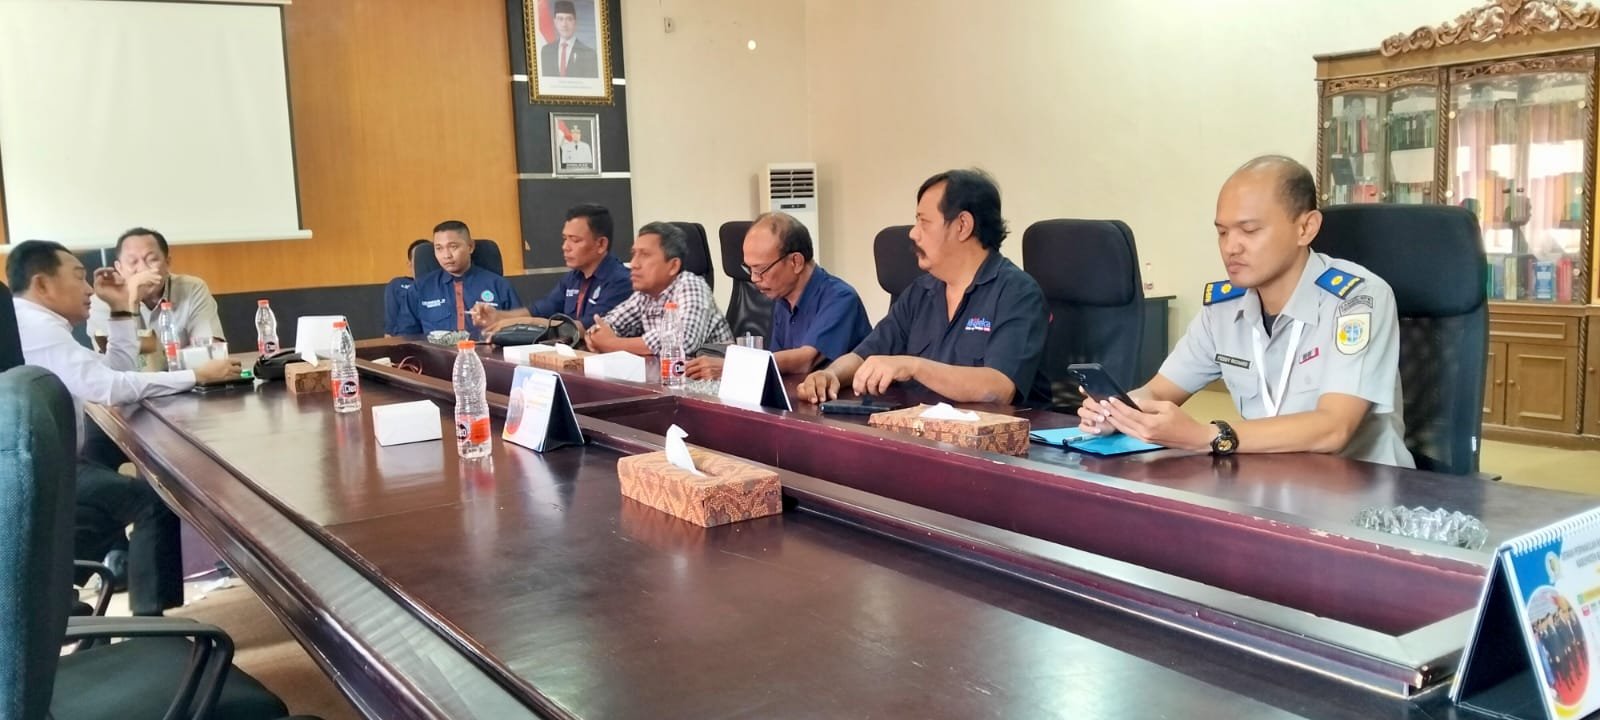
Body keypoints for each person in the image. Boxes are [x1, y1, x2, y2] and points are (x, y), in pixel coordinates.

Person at [1077, 155, 1413, 467]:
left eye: (1249, 231)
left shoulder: (1357, 300)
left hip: (1360, 493)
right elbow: (1160, 390)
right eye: (1222, 232)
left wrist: (1206, 435)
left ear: (1305, 228)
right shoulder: (1224, 307)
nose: (1230, 247)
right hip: (1269, 483)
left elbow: (1334, 427)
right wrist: (1117, 411)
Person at [9, 240, 241, 615]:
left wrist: (120, 310)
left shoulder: (37, 324)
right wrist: (195, 376)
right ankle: (151, 623)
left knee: (104, 502)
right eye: (79, 277)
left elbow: (114, 370)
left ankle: (61, 597)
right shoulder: (36, 327)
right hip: (41, 472)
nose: (89, 289)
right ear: (42, 284)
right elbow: (109, 388)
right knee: (154, 500)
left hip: (44, 468)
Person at [796, 169, 1049, 405]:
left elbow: (998, 388)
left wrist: (913, 367)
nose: (913, 234)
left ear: (962, 225)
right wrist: (831, 375)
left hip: (991, 435)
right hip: (921, 428)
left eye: (924, 222)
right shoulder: (921, 291)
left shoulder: (1016, 292)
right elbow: (865, 354)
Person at [686, 211, 870, 379]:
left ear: (796, 262)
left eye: (761, 269)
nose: (753, 278)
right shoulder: (782, 299)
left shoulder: (840, 298)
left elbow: (805, 361)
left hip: (839, 403)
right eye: (749, 269)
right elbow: (777, 362)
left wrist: (733, 366)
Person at [472, 204, 629, 335]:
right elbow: (539, 310)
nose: (565, 247)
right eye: (564, 239)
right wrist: (499, 316)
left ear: (601, 244)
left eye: (575, 240)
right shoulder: (573, 277)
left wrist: (514, 323)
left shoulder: (621, 281)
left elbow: (581, 329)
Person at [586, 221, 733, 355]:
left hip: (715, 373)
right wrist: (596, 335)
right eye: (634, 254)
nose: (634, 264)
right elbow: (607, 324)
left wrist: (613, 344)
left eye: (645, 255)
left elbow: (683, 340)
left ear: (673, 266)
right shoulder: (644, 295)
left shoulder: (692, 285)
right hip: (668, 372)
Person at [87, 227, 225, 349]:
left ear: (167, 263)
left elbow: (210, 348)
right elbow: (115, 361)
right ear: (119, 268)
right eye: (132, 262)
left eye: (152, 259)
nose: (143, 269)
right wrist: (132, 302)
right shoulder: (102, 302)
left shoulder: (192, 288)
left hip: (191, 372)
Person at [391, 220, 521, 340]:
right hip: (436, 356)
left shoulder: (499, 285)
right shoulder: (420, 288)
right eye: (439, 248)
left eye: (453, 247)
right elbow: (405, 336)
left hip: (487, 354)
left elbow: (519, 329)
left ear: (470, 246)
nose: (446, 255)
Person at [383, 238, 431, 337]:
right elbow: (389, 333)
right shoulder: (397, 286)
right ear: (410, 265)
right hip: (407, 339)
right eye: (420, 260)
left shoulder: (444, 286)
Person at [540, 0, 598, 78]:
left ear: (575, 22)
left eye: (569, 19)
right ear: (555, 22)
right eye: (560, 19)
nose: (564, 24)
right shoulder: (546, 51)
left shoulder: (589, 54)